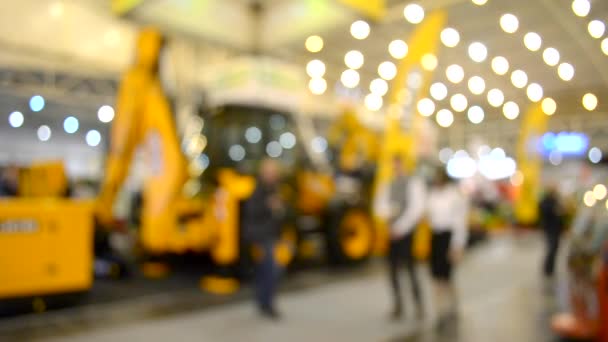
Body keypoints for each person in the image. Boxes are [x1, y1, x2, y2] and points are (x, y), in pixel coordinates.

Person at [375, 156, 426, 320]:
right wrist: (388, 213)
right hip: (391, 233)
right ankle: (398, 304)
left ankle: (418, 305)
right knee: (392, 271)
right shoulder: (387, 184)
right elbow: (379, 206)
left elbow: (416, 209)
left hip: (405, 232)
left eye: (399, 166)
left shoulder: (414, 183)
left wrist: (400, 227)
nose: (396, 169)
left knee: (410, 269)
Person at [242, 159, 285, 320]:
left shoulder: (273, 189)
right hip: (261, 237)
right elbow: (252, 212)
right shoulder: (258, 190)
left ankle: (263, 302)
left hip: (270, 235)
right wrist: (269, 205)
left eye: (274, 173)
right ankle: (267, 304)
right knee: (270, 270)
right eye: (270, 172)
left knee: (266, 270)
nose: (273, 176)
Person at [426, 167, 468, 325]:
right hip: (435, 236)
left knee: (447, 275)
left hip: (448, 237)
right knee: (436, 275)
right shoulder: (432, 195)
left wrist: (458, 245)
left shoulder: (454, 196)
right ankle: (439, 309)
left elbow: (459, 222)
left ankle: (452, 306)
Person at [539, 184, 564, 278]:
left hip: (556, 229)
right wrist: (554, 210)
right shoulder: (546, 201)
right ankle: (547, 269)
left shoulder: (556, 200)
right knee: (551, 248)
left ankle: (551, 268)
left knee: (555, 249)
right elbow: (543, 211)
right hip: (550, 228)